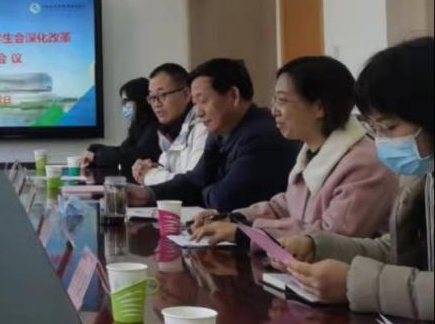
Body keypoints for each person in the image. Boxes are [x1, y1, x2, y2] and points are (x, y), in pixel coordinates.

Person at [278, 38, 434, 320]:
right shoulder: (423, 175)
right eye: (375, 128)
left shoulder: (365, 162)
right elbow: (398, 249)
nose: (380, 141)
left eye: (390, 127)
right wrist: (317, 246)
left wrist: (355, 284)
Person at [191, 56, 398, 244]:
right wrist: (234, 218)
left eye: (282, 100)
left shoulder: (365, 164)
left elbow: (330, 238)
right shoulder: (312, 150)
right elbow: (286, 206)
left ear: (319, 107)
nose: (274, 111)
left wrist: (246, 232)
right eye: (274, 100)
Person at [127, 58, 299, 212]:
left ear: (233, 95)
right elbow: (194, 180)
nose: (198, 112)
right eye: (194, 103)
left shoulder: (261, 136)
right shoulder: (219, 132)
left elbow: (223, 200)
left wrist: (201, 188)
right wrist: (147, 194)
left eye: (202, 101)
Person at [132, 63, 208, 186]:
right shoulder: (168, 131)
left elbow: (191, 184)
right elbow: (164, 169)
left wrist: (149, 175)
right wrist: (147, 169)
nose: (156, 104)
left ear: (186, 94)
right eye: (152, 97)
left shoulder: (203, 126)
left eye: (161, 95)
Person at [81, 77, 159, 181]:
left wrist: (96, 157)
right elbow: (124, 150)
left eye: (126, 101)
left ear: (140, 101)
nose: (123, 106)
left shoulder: (154, 127)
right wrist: (95, 149)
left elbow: (132, 157)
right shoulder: (138, 126)